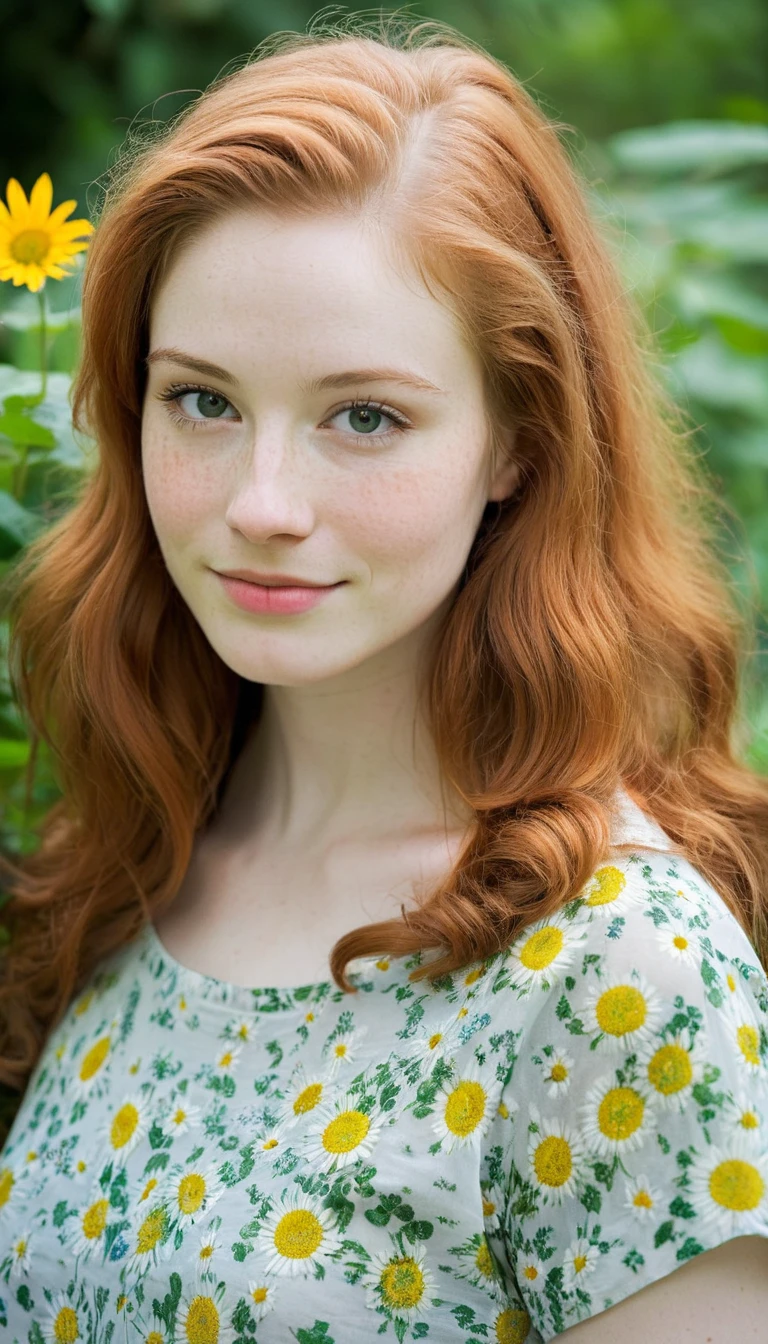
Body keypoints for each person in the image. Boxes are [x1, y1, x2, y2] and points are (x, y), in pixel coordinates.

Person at [0, 14, 767, 1344]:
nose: (263, 502)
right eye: (202, 400)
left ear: (518, 443)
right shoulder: (126, 857)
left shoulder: (614, 970)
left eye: (366, 417)